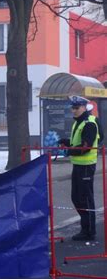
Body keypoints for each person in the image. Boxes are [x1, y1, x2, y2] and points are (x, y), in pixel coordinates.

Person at [58, 95, 99, 241]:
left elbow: (85, 147)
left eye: (76, 108)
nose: (73, 110)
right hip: (78, 165)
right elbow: (78, 142)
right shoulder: (79, 122)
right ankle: (85, 228)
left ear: (84, 107)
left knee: (85, 199)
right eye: (72, 107)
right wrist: (66, 142)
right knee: (76, 197)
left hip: (87, 166)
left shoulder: (89, 123)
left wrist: (68, 151)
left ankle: (89, 231)